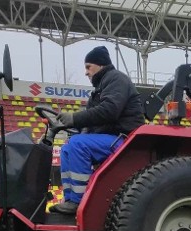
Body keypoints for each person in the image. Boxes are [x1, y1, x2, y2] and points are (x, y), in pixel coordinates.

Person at [49, 45, 145, 217]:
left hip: (125, 140)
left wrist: (74, 118)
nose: (86, 72)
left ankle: (79, 202)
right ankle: (69, 199)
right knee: (67, 148)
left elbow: (110, 110)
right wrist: (73, 125)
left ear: (100, 65)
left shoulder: (116, 79)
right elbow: (93, 123)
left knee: (78, 145)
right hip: (110, 138)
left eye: (88, 67)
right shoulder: (99, 89)